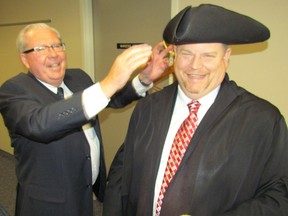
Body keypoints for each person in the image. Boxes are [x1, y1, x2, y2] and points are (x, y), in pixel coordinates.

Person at [103, 4, 288, 216]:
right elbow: (120, 179)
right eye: (187, 54)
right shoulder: (148, 108)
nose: (195, 66)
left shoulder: (262, 120)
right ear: (173, 55)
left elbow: (278, 197)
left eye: (208, 55)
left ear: (226, 57)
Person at [0, 23, 172, 216]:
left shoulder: (78, 77)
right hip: (47, 205)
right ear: (25, 59)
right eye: (41, 49)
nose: (54, 54)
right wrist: (110, 82)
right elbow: (39, 124)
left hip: (86, 193)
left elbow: (110, 99)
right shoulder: (13, 90)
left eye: (57, 46)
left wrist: (144, 79)